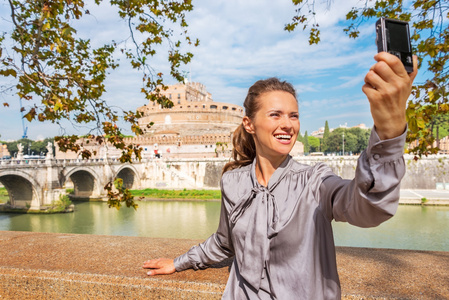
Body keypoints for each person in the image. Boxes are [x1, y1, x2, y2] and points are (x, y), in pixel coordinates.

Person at [143, 52, 418, 299]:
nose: (287, 124)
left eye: (293, 115)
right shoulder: (233, 181)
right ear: (249, 124)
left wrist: (389, 130)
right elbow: (224, 243)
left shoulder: (315, 180)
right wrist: (179, 262)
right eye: (275, 115)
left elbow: (369, 208)